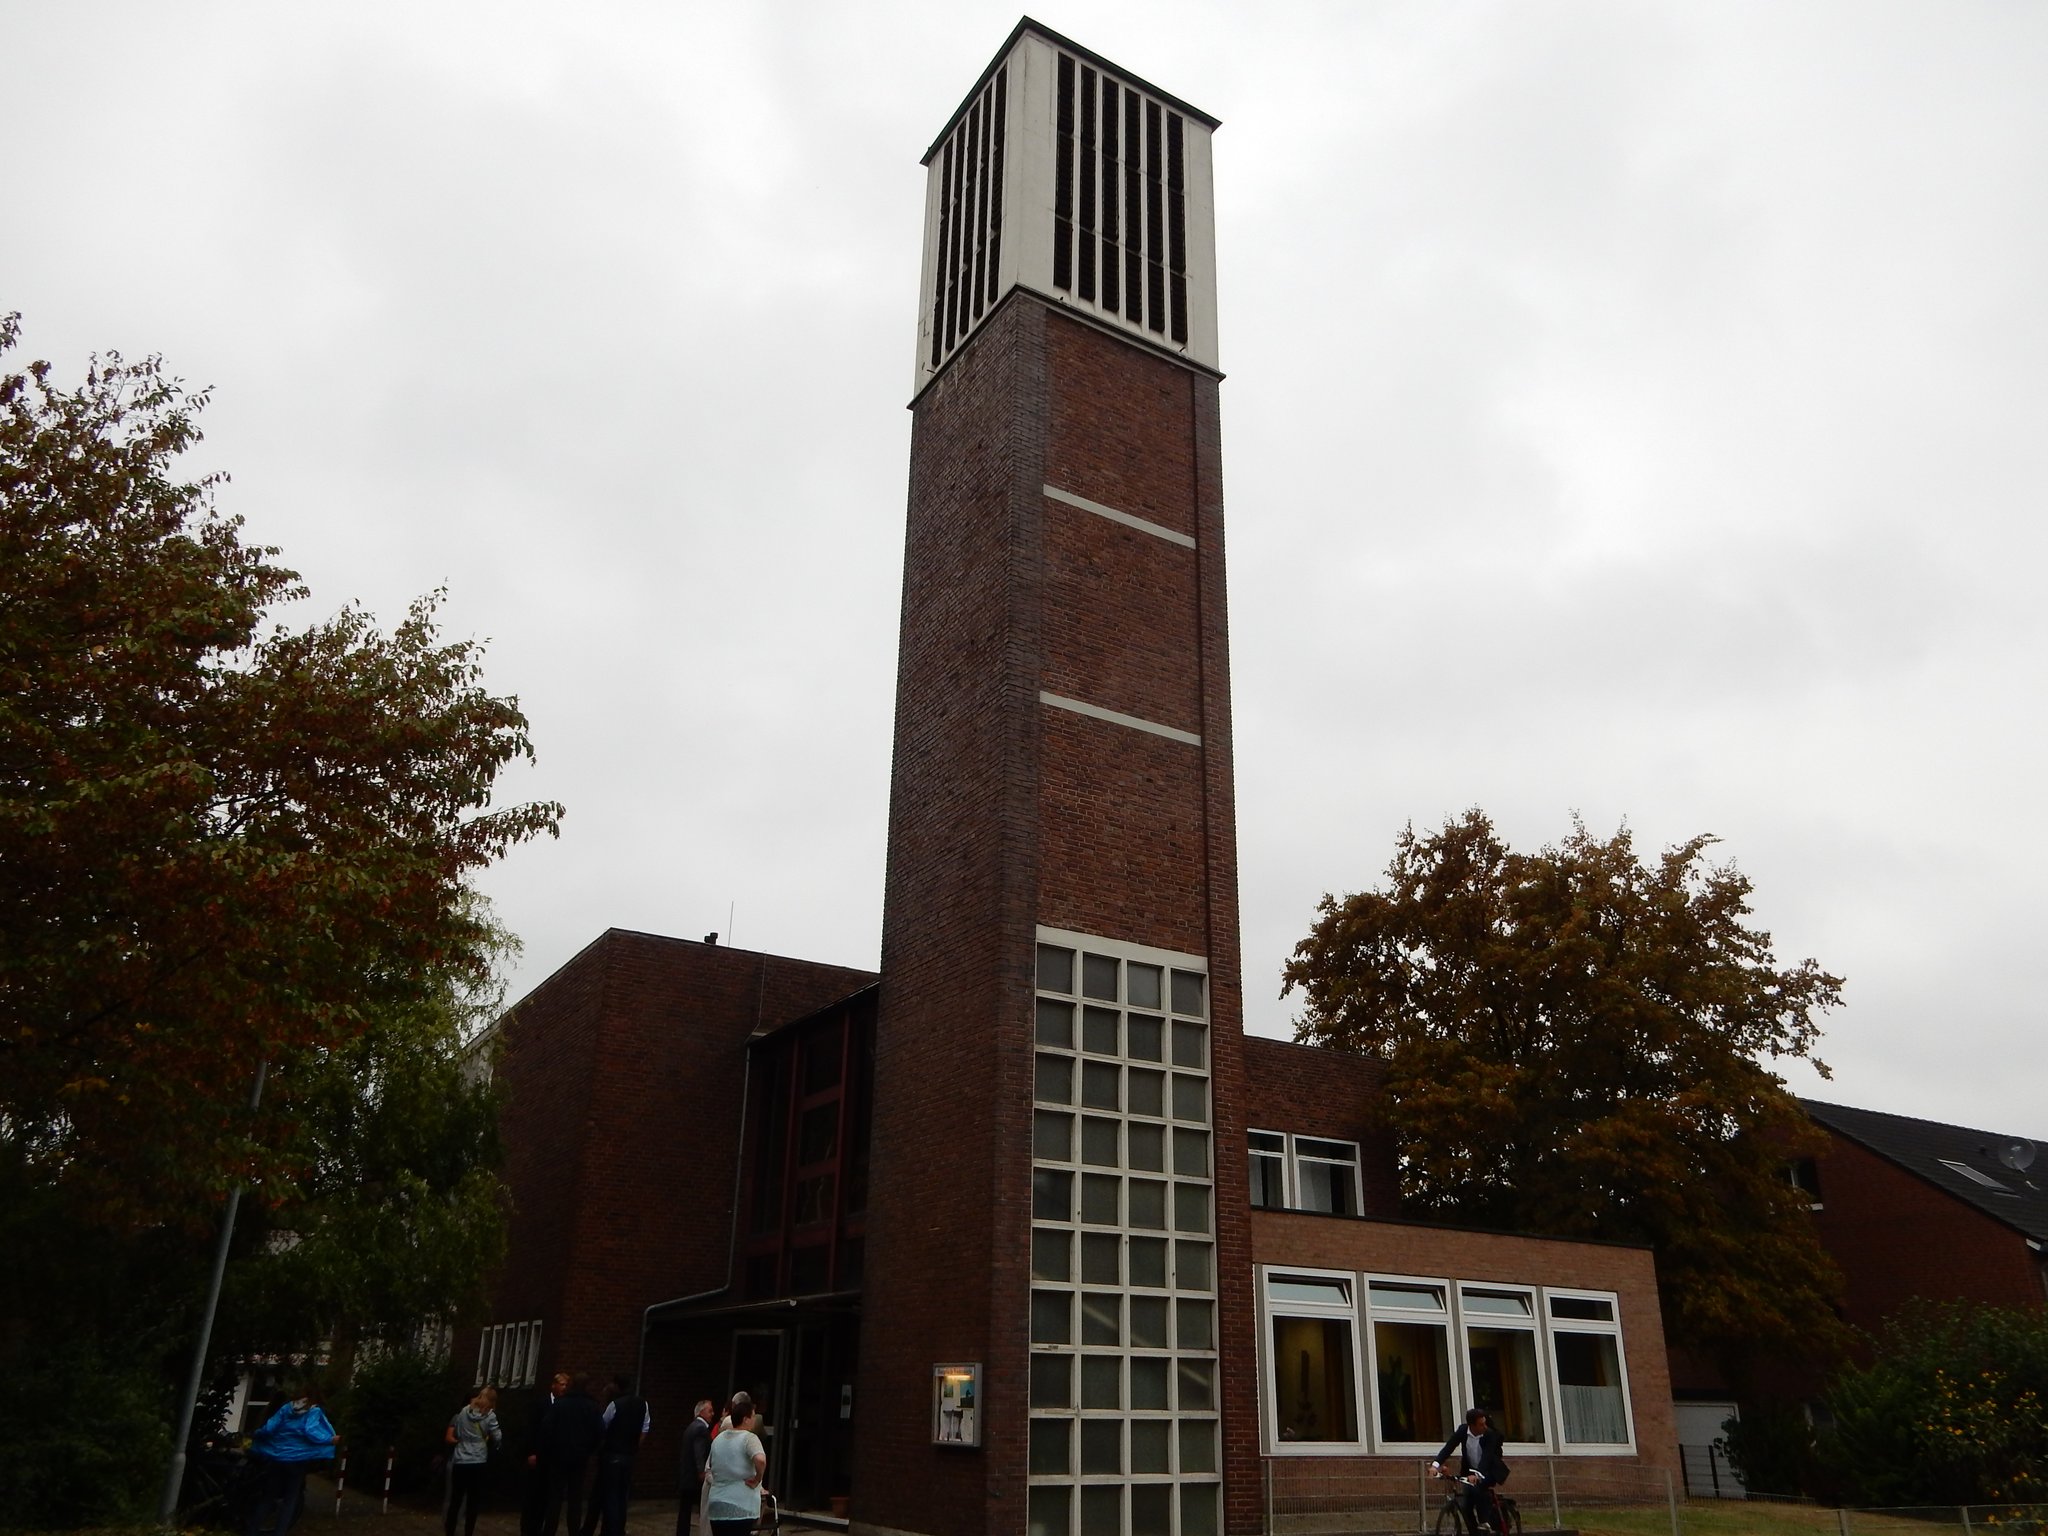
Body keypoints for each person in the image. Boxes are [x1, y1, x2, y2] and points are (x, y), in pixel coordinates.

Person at [245, 1386, 338, 1536]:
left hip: (277, 1458)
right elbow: (310, 1431)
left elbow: (269, 1428)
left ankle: (251, 1531)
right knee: (290, 1500)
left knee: (268, 1497)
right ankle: (279, 1532)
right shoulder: (314, 1411)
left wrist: (257, 1434)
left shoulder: (286, 1408)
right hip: (298, 1461)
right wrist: (329, 1439)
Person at [535, 1374, 605, 1536]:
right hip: (579, 1457)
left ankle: (549, 1530)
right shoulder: (592, 1407)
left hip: (558, 1456)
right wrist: (588, 1449)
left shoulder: (560, 1404)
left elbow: (546, 1429)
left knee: (555, 1497)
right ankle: (574, 1531)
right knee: (575, 1497)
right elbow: (600, 1432)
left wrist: (549, 1450)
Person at [582, 1374, 650, 1536]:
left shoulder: (615, 1405)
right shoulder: (643, 1404)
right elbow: (645, 1429)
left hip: (612, 1454)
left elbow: (602, 1426)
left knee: (610, 1495)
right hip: (629, 1455)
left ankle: (611, 1530)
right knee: (622, 1494)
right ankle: (618, 1528)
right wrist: (634, 1448)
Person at [1431, 1407, 1509, 1535]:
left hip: (1489, 1469)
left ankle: (1484, 1522)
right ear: (1471, 1425)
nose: (1485, 1427)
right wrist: (1435, 1465)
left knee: (1476, 1488)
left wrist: (1477, 1474)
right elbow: (1448, 1448)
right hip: (1470, 1470)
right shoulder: (1462, 1431)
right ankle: (1475, 1531)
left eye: (1485, 1423)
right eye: (1481, 1424)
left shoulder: (1489, 1434)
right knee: (1465, 1504)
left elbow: (1487, 1457)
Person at [702, 1393, 767, 1536]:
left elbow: (711, 1466)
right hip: (740, 1506)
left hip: (717, 1504)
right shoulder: (749, 1438)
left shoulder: (718, 1439)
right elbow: (760, 1460)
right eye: (753, 1417)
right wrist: (757, 1479)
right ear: (745, 1419)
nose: (755, 1420)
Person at [445, 1385, 503, 1536]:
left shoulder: (464, 1411)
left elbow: (457, 1431)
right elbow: (497, 1437)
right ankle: (468, 1532)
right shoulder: (490, 1416)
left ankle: (449, 1532)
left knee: (455, 1500)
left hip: (460, 1459)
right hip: (478, 1460)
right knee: (473, 1501)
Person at [524, 1373, 572, 1536]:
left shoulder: (565, 1406)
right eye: (562, 1384)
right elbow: (532, 1429)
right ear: (553, 1385)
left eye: (566, 1385)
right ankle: (529, 1528)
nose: (564, 1388)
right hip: (539, 1456)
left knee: (548, 1496)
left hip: (555, 1459)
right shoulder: (541, 1404)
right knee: (533, 1495)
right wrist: (532, 1452)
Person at [675, 1399, 716, 1536]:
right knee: (702, 1508)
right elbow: (699, 1452)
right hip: (694, 1478)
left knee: (685, 1510)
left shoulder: (691, 1427)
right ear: (701, 1412)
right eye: (709, 1411)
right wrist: (701, 1471)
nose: (712, 1414)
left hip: (686, 1476)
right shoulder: (700, 1429)